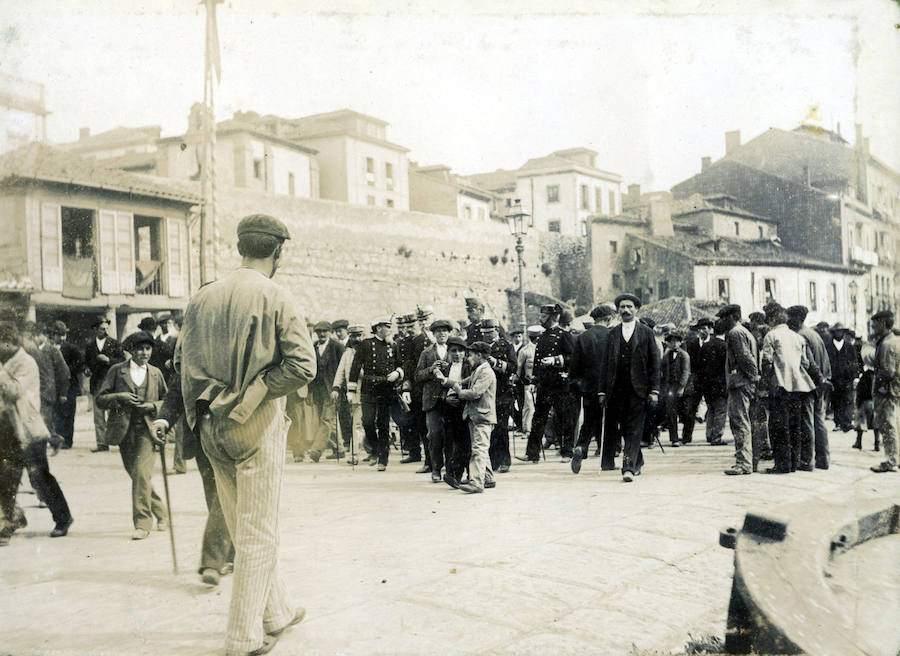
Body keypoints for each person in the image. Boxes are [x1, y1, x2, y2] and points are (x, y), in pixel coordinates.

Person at [179, 213, 315, 656]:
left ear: (240, 247)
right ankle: (242, 638)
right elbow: (302, 366)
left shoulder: (202, 298)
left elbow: (185, 367)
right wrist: (255, 392)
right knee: (259, 533)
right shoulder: (277, 296)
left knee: (242, 525)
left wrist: (197, 418)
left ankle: (276, 611)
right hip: (255, 426)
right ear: (277, 250)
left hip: (209, 426)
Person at [152, 347, 234, 587]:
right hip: (201, 438)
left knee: (224, 496)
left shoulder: (229, 344)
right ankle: (231, 554)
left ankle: (213, 561)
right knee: (214, 496)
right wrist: (163, 419)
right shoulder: (192, 351)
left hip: (232, 432)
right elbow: (176, 391)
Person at [0, 318, 72, 546]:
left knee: (40, 478)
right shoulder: (8, 362)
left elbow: (14, 392)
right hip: (8, 430)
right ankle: (10, 522)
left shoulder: (25, 363)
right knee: (6, 480)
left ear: (9, 343)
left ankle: (63, 518)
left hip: (28, 432)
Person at [96, 330, 168, 540]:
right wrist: (119, 396)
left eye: (148, 349)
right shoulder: (117, 371)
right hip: (124, 432)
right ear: (131, 351)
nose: (144, 353)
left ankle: (143, 523)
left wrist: (152, 406)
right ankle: (162, 513)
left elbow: (167, 401)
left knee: (140, 474)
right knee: (139, 476)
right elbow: (100, 399)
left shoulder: (156, 373)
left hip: (148, 431)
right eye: (140, 349)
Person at [598, 294, 660, 482]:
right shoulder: (612, 334)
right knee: (625, 429)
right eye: (622, 307)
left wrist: (654, 390)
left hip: (639, 390)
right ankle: (637, 461)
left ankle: (628, 467)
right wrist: (602, 391)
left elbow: (654, 364)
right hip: (617, 390)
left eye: (629, 307)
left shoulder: (646, 333)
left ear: (636, 309)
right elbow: (605, 365)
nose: (625, 310)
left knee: (634, 429)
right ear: (618, 310)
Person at [760, 304, 819, 474]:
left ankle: (782, 464)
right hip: (798, 387)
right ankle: (794, 463)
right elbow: (806, 364)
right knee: (795, 426)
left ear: (771, 319)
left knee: (778, 427)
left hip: (780, 386)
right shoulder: (797, 338)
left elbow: (766, 362)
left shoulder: (771, 335)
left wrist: (764, 384)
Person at [518, 304, 576, 463]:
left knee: (564, 418)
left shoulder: (564, 335)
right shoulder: (542, 337)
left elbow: (573, 358)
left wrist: (555, 360)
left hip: (560, 383)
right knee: (538, 418)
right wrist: (534, 380)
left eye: (543, 316)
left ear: (553, 317)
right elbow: (536, 362)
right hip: (544, 385)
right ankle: (532, 454)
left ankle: (567, 452)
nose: (540, 319)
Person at [349, 317, 404, 472]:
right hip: (368, 388)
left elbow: (401, 364)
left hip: (386, 388)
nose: (389, 329)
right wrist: (351, 390)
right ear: (378, 328)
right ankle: (375, 450)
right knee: (367, 422)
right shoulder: (366, 344)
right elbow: (355, 366)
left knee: (383, 424)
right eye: (387, 326)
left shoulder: (393, 345)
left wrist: (397, 373)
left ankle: (383, 459)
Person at [570, 303, 616, 473]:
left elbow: (574, 368)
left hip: (589, 388)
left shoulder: (582, 337)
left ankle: (581, 446)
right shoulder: (613, 335)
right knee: (610, 422)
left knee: (589, 420)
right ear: (609, 319)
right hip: (609, 387)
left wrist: (579, 386)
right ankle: (607, 461)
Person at [448, 341, 497, 494]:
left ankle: (476, 483)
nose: (468, 358)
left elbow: (475, 392)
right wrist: (451, 382)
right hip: (477, 415)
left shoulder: (486, 372)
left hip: (482, 416)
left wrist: (458, 391)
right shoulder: (479, 370)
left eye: (471, 354)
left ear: (479, 355)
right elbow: (465, 382)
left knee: (479, 449)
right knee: (481, 447)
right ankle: (488, 478)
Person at [787, 305, 832, 470]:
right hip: (821, 383)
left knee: (807, 423)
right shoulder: (815, 334)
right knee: (819, 421)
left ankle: (807, 460)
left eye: (789, 317)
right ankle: (823, 460)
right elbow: (825, 360)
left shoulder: (800, 336)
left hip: (810, 385)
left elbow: (808, 363)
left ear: (797, 318)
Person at [718, 304, 759, 475]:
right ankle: (748, 461)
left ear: (732, 317)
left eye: (723, 317)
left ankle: (744, 463)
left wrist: (752, 377)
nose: (721, 321)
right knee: (745, 422)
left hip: (740, 384)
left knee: (740, 422)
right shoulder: (744, 332)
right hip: (744, 383)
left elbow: (745, 357)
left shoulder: (735, 333)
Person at [415, 318, 454, 483]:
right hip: (432, 400)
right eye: (438, 331)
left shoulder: (455, 350)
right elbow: (417, 376)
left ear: (449, 333)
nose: (442, 334)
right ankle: (436, 468)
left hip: (452, 399)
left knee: (451, 435)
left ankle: (451, 471)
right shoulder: (427, 353)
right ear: (434, 334)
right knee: (435, 435)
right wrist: (431, 369)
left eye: (445, 331)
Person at [480, 318, 516, 473]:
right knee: (489, 429)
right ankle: (493, 462)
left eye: (490, 332)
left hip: (502, 393)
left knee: (501, 428)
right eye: (484, 333)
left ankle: (504, 460)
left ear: (496, 330)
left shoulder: (506, 346)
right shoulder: (479, 347)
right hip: (484, 392)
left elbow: (513, 367)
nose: (488, 336)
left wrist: (495, 362)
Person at [435, 336, 472, 488]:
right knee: (449, 441)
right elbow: (438, 390)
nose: (457, 354)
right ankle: (451, 475)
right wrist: (445, 399)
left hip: (464, 405)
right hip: (449, 406)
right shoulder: (445, 368)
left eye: (461, 351)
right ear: (449, 352)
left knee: (464, 441)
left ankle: (467, 474)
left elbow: (470, 386)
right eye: (454, 351)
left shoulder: (469, 367)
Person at [306, 321, 345, 462]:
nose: (321, 334)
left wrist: (340, 388)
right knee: (330, 420)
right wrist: (309, 392)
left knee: (326, 419)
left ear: (330, 332)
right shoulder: (312, 347)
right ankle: (339, 449)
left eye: (324, 331)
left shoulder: (338, 347)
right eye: (318, 331)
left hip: (333, 390)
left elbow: (344, 369)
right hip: (318, 391)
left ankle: (316, 451)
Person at [83, 317, 124, 452]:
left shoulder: (115, 343)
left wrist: (108, 360)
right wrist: (86, 369)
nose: (105, 331)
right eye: (102, 329)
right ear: (95, 330)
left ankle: (119, 441)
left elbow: (122, 361)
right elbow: (86, 363)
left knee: (115, 413)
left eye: (107, 328)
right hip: (96, 383)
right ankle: (102, 443)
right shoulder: (89, 345)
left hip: (112, 384)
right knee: (98, 415)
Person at [869, 310, 900, 473]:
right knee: (895, 424)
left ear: (883, 324)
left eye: (875, 324)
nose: (873, 327)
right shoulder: (895, 340)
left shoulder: (887, 344)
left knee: (888, 425)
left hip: (887, 391)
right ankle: (896, 458)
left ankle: (891, 460)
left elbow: (887, 372)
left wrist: (879, 388)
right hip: (895, 390)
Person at [332, 324, 366, 464]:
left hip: (369, 392)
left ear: (363, 336)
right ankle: (354, 454)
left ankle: (372, 451)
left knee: (367, 424)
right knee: (357, 424)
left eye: (359, 335)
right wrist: (336, 388)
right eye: (353, 336)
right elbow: (340, 372)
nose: (356, 339)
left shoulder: (369, 352)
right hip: (354, 394)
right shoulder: (347, 354)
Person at [48, 320, 83, 449]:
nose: (62, 338)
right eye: (59, 335)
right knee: (56, 414)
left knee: (69, 414)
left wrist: (65, 370)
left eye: (64, 335)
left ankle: (68, 441)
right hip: (54, 387)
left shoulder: (72, 349)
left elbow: (79, 365)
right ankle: (57, 439)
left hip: (70, 387)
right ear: (53, 335)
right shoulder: (49, 348)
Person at [825, 322, 860, 432]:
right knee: (836, 401)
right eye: (837, 331)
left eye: (841, 331)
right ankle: (838, 422)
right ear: (833, 333)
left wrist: (855, 376)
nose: (839, 333)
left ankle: (847, 422)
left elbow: (855, 362)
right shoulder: (828, 347)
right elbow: (826, 362)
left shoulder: (849, 347)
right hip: (834, 379)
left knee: (848, 400)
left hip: (847, 379)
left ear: (844, 333)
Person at [698, 320, 728, 445]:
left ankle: (709, 434)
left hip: (707, 383)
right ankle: (716, 437)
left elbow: (700, 365)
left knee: (710, 409)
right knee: (721, 410)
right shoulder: (725, 345)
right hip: (721, 383)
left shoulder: (705, 345)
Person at [660, 330, 690, 448]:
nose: (674, 344)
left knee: (686, 412)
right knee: (671, 413)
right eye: (671, 342)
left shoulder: (684, 355)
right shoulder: (666, 356)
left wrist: (682, 387)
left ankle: (686, 436)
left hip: (682, 387)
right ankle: (674, 439)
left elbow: (685, 372)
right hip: (670, 387)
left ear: (680, 342)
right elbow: (663, 371)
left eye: (676, 342)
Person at [515, 325, 542, 438]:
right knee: (529, 407)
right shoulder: (524, 351)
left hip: (543, 383)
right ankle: (527, 430)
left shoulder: (544, 349)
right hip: (529, 383)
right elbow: (519, 369)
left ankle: (547, 435)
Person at [853, 345, 878, 452]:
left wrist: (857, 402)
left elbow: (860, 391)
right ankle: (877, 443)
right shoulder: (877, 375)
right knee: (876, 423)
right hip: (875, 402)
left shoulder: (865, 376)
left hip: (864, 402)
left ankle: (859, 442)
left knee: (861, 423)